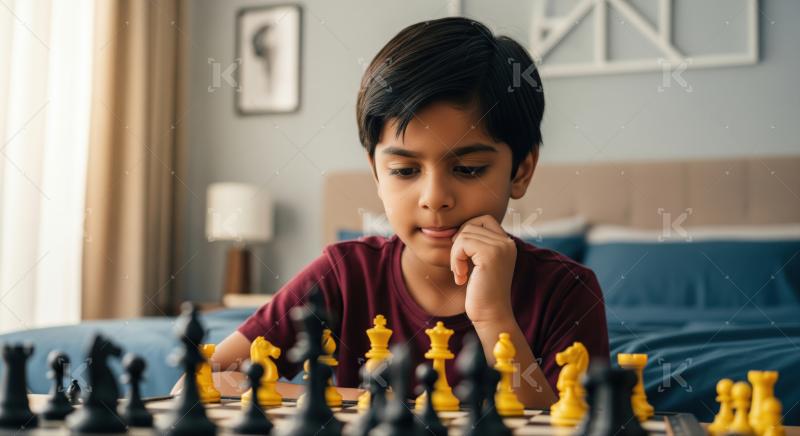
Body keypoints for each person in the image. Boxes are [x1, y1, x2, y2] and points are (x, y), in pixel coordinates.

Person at [177, 16, 608, 408]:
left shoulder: (567, 291)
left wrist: (493, 315)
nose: (434, 198)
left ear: (521, 171)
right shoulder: (344, 275)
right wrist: (377, 401)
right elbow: (201, 380)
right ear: (376, 173)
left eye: (468, 169)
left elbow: (567, 424)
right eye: (404, 170)